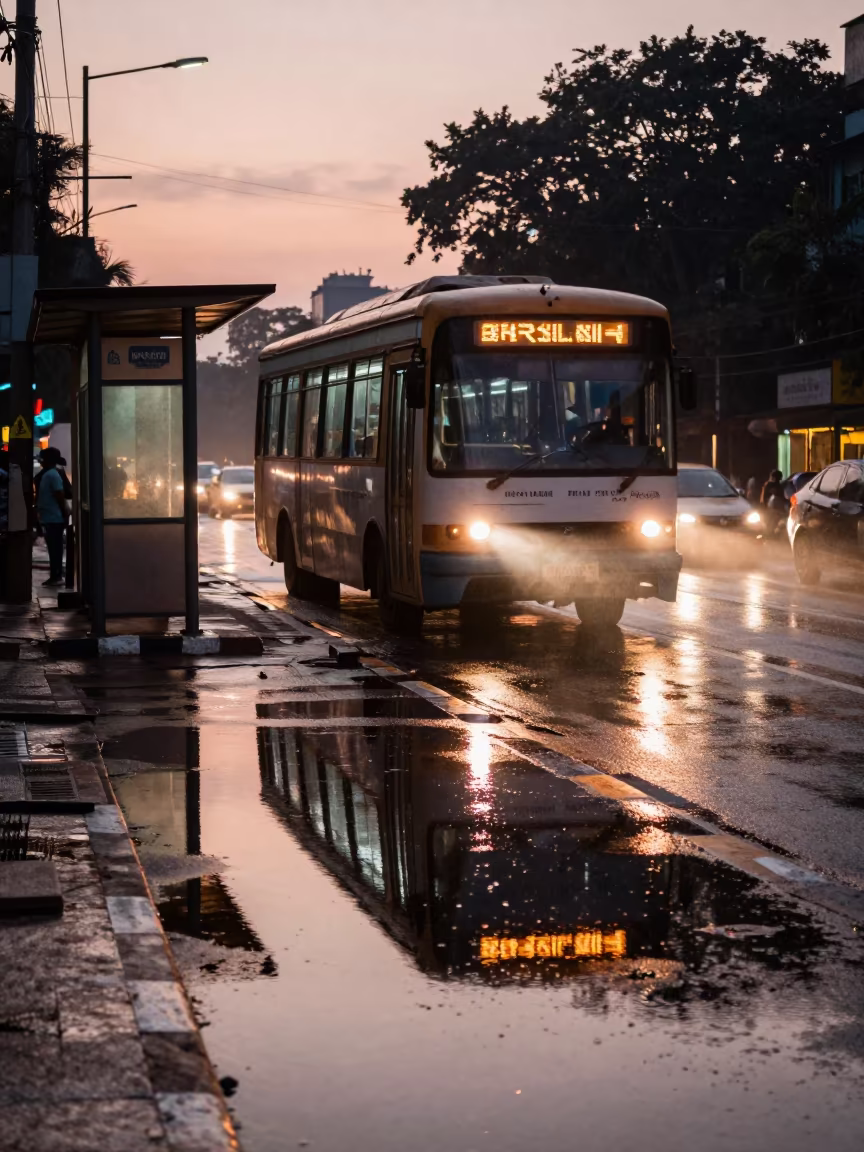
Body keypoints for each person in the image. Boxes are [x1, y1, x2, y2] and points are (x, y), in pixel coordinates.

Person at [35, 446, 68, 585]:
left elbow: (60, 496)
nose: (41, 462)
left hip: (54, 518)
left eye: (42, 459)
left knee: (55, 549)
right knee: (53, 548)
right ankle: (55, 575)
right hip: (50, 518)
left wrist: (65, 514)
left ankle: (57, 576)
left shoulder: (52, 475)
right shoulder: (49, 474)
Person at [761, 468, 786, 535]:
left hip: (776, 509)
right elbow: (764, 497)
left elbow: (782, 497)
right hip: (770, 508)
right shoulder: (769, 485)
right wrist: (764, 507)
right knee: (770, 523)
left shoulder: (779, 486)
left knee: (775, 522)